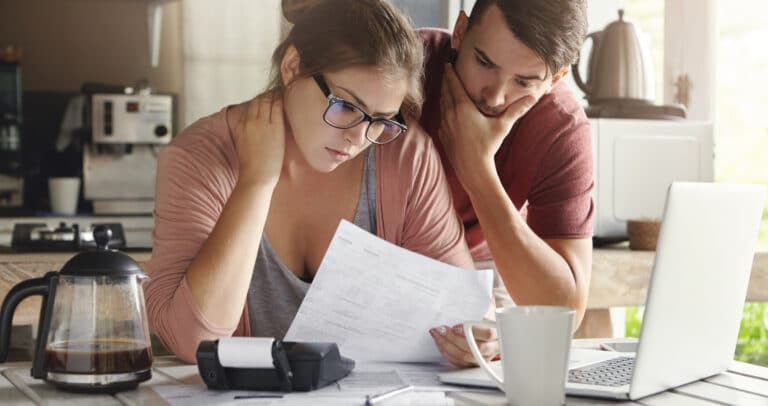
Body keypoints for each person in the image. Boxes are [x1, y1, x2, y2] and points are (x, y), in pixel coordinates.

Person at [143, 0, 492, 364]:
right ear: (292, 66)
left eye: (380, 121)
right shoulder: (198, 158)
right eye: (346, 107)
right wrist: (256, 183)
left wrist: (481, 340)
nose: (359, 138)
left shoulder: (405, 155)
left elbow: (464, 312)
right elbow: (194, 341)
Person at [421, 0, 594, 367]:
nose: (495, 96)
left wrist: (477, 169)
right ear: (460, 31)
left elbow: (564, 313)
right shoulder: (405, 65)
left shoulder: (561, 127)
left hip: (487, 257)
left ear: (556, 79)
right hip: (380, 245)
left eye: (524, 82)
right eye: (484, 63)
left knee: (497, 361)